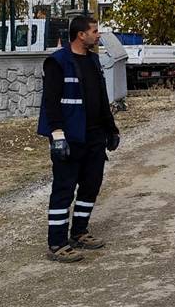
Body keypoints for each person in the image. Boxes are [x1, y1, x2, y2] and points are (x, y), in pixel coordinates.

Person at [36, 15, 120, 263]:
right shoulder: (57, 62)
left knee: (91, 185)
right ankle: (57, 243)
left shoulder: (93, 61)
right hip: (69, 137)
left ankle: (80, 232)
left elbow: (101, 99)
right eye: (94, 31)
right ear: (80, 35)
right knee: (64, 189)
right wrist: (57, 135)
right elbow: (51, 103)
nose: (98, 35)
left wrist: (111, 129)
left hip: (94, 135)